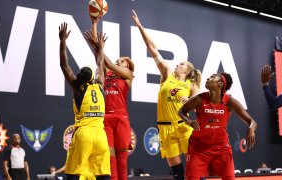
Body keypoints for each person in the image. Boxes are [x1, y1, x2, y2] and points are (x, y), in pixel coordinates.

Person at [132, 10, 201, 180]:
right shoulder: (167, 74)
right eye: (179, 63)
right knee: (177, 172)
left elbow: (199, 104)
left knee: (195, 167)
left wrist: (190, 102)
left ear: (188, 70)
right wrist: (140, 27)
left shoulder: (191, 84)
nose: (178, 64)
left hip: (183, 125)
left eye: (182, 64)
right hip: (165, 128)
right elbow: (153, 49)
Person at [178, 72, 257, 180]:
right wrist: (188, 121)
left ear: (219, 83)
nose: (208, 78)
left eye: (212, 77)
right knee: (192, 178)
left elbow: (252, 121)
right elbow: (181, 111)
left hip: (221, 149)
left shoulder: (230, 102)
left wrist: (251, 128)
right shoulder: (199, 99)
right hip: (198, 148)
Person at [58, 22, 110, 180]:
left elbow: (64, 65)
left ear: (79, 78)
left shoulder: (78, 88)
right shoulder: (99, 85)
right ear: (92, 77)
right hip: (101, 136)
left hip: (83, 135)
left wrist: (63, 41)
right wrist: (100, 47)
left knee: (72, 173)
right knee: (103, 175)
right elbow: (100, 64)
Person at [89, 16, 135, 180]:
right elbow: (99, 55)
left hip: (121, 118)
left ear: (127, 67)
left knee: (122, 162)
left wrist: (101, 48)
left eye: (122, 61)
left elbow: (106, 59)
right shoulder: (106, 74)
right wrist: (94, 24)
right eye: (118, 60)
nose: (118, 62)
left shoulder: (128, 76)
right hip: (106, 118)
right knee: (110, 160)